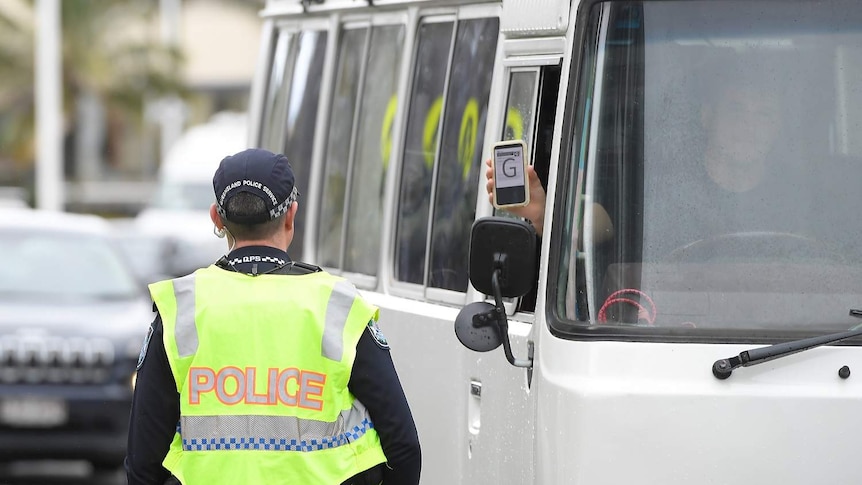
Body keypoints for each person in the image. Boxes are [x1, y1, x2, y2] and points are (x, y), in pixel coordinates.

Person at [126, 148, 421, 485]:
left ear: (216, 220)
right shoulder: (337, 306)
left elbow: (143, 461)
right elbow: (403, 445)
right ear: (291, 215)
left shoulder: (182, 308)